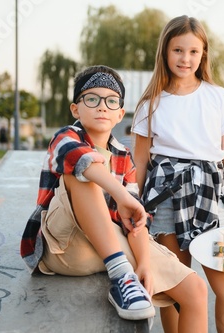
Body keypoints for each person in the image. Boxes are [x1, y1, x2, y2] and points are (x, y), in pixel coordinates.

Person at [20, 65, 208, 331]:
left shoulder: (123, 156)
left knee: (196, 289)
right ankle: (121, 275)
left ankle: (127, 272)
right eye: (92, 99)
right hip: (64, 245)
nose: (102, 107)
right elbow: (80, 160)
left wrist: (143, 262)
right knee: (81, 172)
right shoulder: (65, 137)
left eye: (111, 101)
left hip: (106, 245)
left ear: (120, 113)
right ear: (76, 109)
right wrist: (121, 195)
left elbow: (133, 220)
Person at [132, 16, 224, 333]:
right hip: (165, 198)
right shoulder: (150, 103)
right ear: (165, 52)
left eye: (193, 51)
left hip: (210, 196)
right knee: (177, 288)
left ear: (203, 54)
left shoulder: (217, 97)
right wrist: (131, 208)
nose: (185, 58)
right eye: (177, 50)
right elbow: (139, 162)